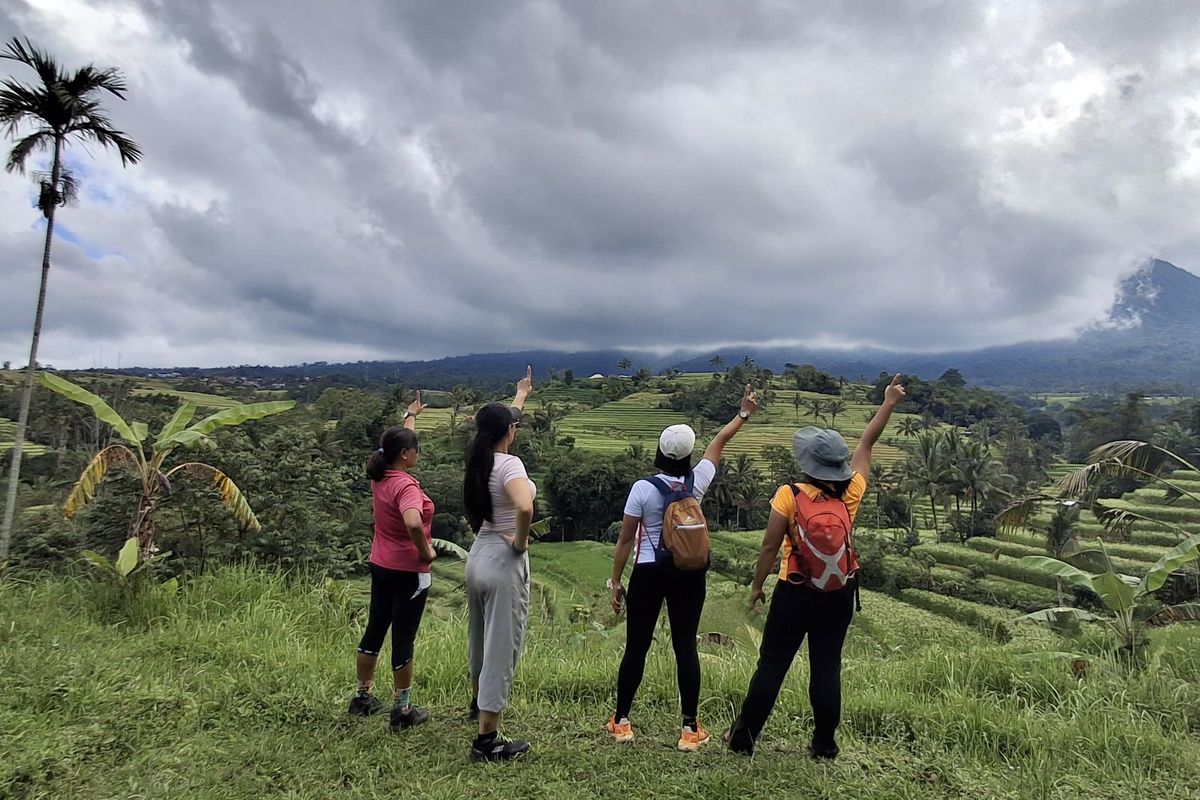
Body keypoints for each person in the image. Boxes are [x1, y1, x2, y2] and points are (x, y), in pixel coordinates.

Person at [725, 374, 907, 759]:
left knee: (772, 665)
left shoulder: (789, 495)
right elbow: (866, 442)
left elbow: (770, 546)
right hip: (838, 593)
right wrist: (888, 401)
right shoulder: (853, 490)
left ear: (807, 463)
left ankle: (743, 740)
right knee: (826, 669)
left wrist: (757, 586)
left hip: (793, 589)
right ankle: (824, 745)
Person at [606, 384, 760, 751]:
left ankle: (622, 722)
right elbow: (718, 445)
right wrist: (744, 413)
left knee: (637, 647)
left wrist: (615, 581)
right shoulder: (698, 481)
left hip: (649, 571)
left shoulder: (642, 489)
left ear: (660, 452)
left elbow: (625, 540)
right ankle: (690, 729)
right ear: (689, 454)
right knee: (685, 647)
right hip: (690, 573)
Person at [349, 391, 437, 732]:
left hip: (381, 564)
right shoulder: (407, 488)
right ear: (405, 455)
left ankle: (363, 696)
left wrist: (410, 415)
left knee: (375, 627)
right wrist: (426, 551)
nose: (418, 452)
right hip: (410, 570)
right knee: (403, 637)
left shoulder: (382, 474)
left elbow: (398, 441)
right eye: (416, 449)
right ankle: (402, 709)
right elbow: (414, 521)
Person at [463, 367, 536, 763]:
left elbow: (506, 418)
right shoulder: (511, 467)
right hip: (504, 561)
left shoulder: (480, 460)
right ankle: (487, 740)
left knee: (479, 641)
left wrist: (520, 394)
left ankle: (479, 705)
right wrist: (521, 543)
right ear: (508, 432)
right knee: (500, 650)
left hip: (478, 556)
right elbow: (525, 505)